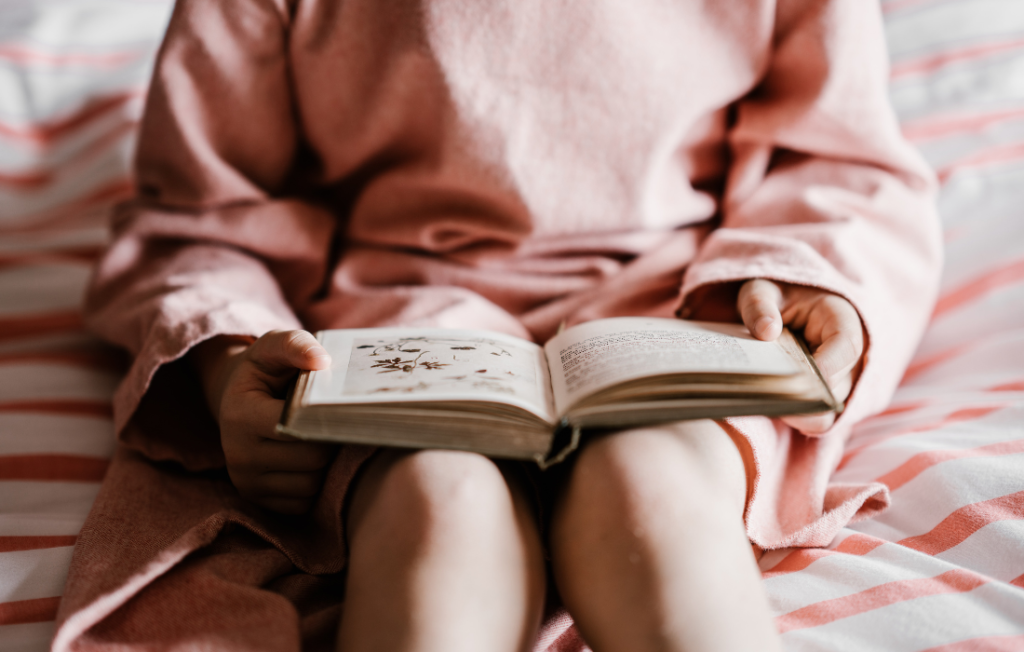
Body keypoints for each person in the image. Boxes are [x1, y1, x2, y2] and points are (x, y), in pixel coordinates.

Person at [55, 1, 942, 651]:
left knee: (653, 489)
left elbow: (835, 158)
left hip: (683, 305)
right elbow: (204, 221)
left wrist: (811, 282)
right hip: (393, 318)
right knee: (438, 505)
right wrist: (231, 364)